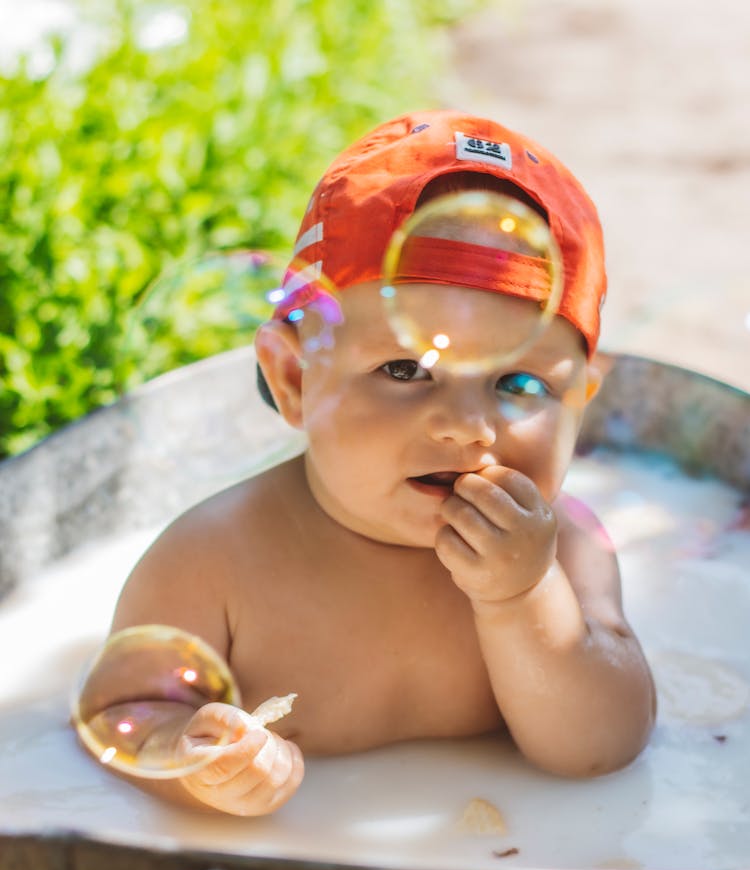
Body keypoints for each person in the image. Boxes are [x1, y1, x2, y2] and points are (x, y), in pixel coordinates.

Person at [104, 109, 656, 816]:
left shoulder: (567, 556)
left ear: (582, 400)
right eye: (404, 368)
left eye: (519, 384)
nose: (464, 426)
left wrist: (522, 600)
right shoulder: (215, 560)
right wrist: (193, 758)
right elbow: (120, 718)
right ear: (294, 380)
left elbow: (600, 749)